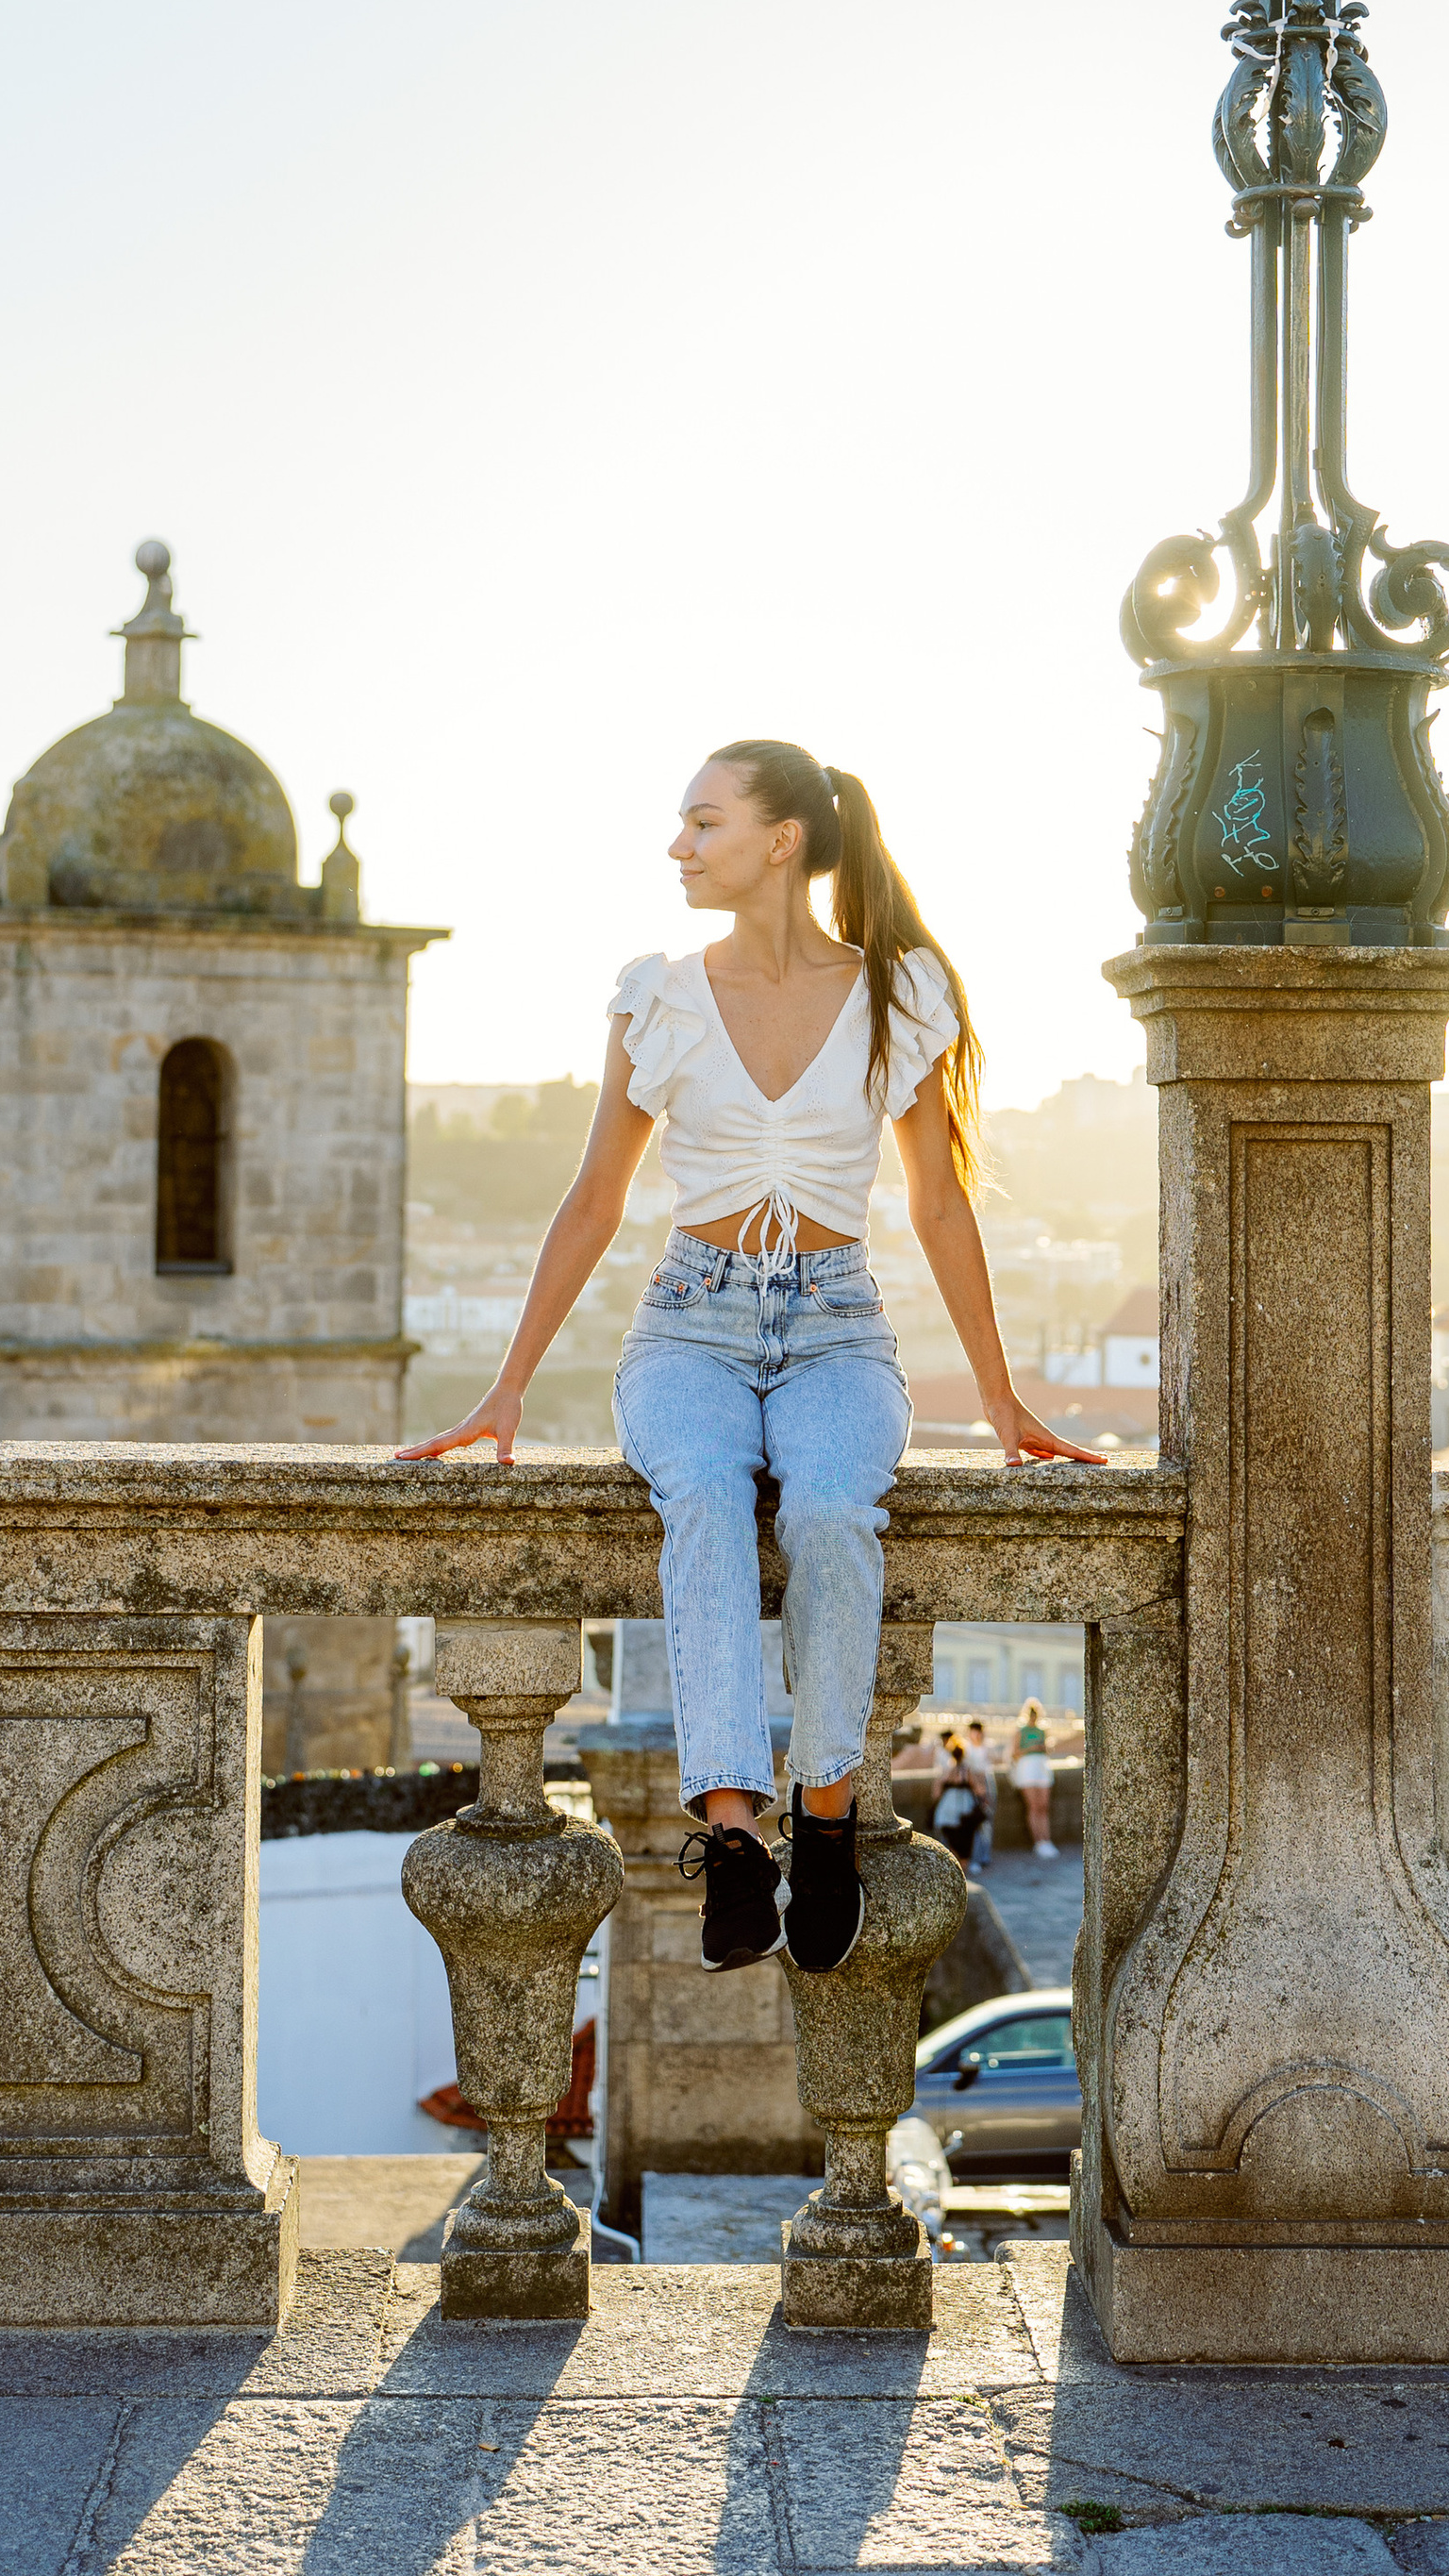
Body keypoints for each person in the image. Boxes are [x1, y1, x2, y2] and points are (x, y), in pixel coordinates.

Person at [397, 740, 1094, 1975]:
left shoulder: (901, 990)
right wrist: (507, 1384)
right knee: (706, 1500)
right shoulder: (656, 993)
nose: (678, 846)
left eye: (702, 822)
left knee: (833, 1510)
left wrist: (1000, 1399)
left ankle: (823, 1809)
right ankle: (731, 1831)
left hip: (836, 1327)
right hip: (690, 1326)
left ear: (781, 841)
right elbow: (594, 1198)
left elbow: (939, 1206)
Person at [1011, 1696, 1058, 1858]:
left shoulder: (1042, 1731)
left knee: (1043, 1806)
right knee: (1033, 1806)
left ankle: (1047, 1839)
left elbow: (1047, 1750)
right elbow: (1015, 1753)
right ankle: (1038, 1841)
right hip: (1028, 1769)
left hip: (1041, 1768)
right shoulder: (1021, 1731)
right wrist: (1031, 1748)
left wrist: (1043, 1747)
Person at [930, 1732, 983, 1867]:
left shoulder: (948, 1770)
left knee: (951, 1837)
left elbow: (937, 1791)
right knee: (965, 1838)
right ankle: (964, 1866)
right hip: (965, 1806)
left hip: (948, 1807)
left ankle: (955, 1863)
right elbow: (978, 1789)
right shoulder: (966, 1770)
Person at [962, 1718, 996, 1875]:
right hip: (974, 1788)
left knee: (987, 1821)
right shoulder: (967, 1749)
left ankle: (984, 1855)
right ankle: (975, 1858)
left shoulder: (986, 1747)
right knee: (975, 1822)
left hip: (987, 1785)